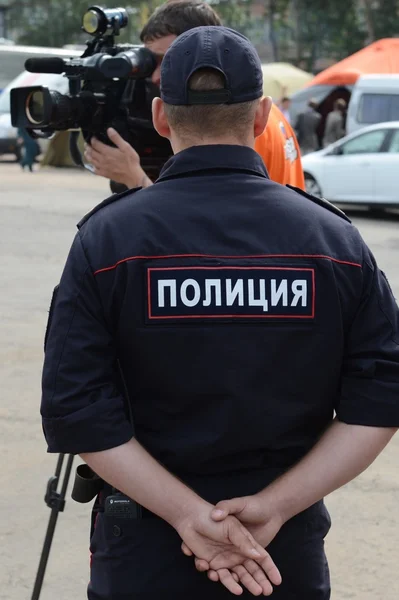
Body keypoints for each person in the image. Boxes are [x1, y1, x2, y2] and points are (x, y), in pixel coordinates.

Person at [40, 24, 399, 600]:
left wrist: (187, 516)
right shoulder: (334, 241)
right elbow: (381, 397)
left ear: (161, 116)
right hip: (279, 552)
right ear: (261, 116)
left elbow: (75, 408)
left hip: (142, 550)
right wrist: (274, 506)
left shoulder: (108, 240)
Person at [84, 0, 305, 190]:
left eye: (169, 60)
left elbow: (205, 226)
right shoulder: (261, 113)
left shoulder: (235, 126)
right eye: (152, 60)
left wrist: (134, 178)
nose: (155, 76)